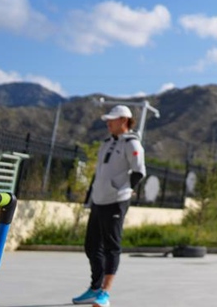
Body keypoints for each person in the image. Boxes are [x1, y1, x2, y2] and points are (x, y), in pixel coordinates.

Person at [72, 105, 146, 307]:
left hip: (116, 201)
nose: (108, 123)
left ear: (124, 121)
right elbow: (99, 173)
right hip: (98, 200)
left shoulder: (132, 144)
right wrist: (90, 198)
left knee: (111, 246)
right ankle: (94, 288)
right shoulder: (106, 143)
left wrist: (126, 189)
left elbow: (139, 171)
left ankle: (104, 293)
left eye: (112, 119)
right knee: (92, 246)